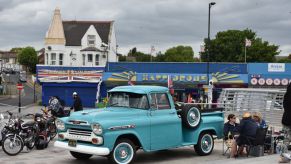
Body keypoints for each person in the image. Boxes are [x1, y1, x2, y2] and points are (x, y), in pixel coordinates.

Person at [279, 83, 291, 163]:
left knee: (286, 140)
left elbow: (285, 106)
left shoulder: (286, 96)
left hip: (287, 120)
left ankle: (284, 158)